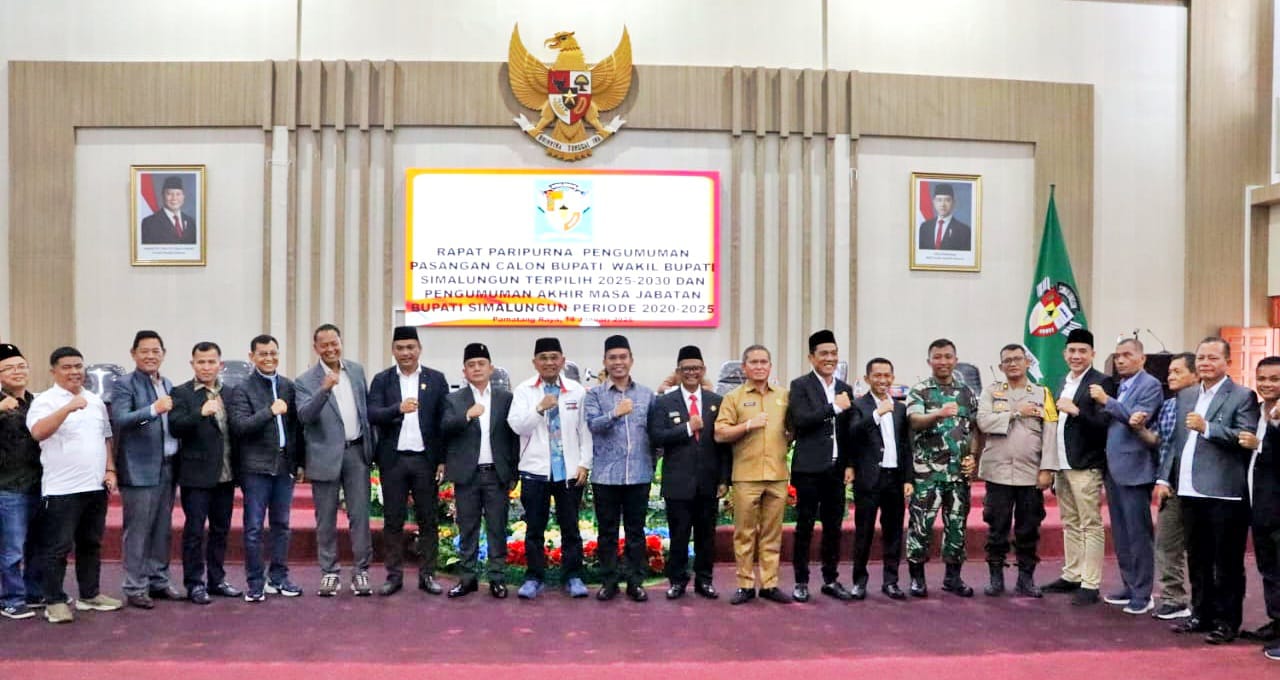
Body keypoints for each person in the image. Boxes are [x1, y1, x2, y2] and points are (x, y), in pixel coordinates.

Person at [1157, 336, 1258, 645]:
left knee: (1226, 563)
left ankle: (1227, 622)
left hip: (1224, 492)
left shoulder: (1242, 395)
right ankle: (1201, 614)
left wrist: (1209, 428)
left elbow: (1247, 436)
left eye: (1213, 358)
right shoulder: (1187, 395)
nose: (1205, 363)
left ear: (1228, 361)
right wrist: (1165, 479)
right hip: (1188, 490)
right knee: (1197, 558)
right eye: (1201, 357)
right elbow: (1175, 444)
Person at [27, 347, 123, 623]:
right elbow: (38, 432)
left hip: (95, 485)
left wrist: (110, 469)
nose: (74, 372)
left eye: (78, 366)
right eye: (67, 367)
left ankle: (89, 595)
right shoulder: (44, 401)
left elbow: (106, 437)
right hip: (61, 489)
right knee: (57, 547)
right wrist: (67, 408)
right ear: (53, 371)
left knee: (91, 543)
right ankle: (54, 600)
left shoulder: (95, 400)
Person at [367, 326, 449, 597]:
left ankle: (428, 576)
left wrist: (442, 460)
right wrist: (397, 409)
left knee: (428, 520)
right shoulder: (382, 380)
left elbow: (443, 422)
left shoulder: (436, 379)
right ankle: (393, 576)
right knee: (393, 520)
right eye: (400, 348)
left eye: (410, 347)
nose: (406, 353)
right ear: (393, 350)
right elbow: (372, 414)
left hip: (425, 461)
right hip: (394, 461)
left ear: (419, 349)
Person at [508, 337, 592, 599]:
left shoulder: (576, 391)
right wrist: (539, 408)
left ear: (562, 361)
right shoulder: (524, 391)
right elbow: (517, 427)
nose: (549, 362)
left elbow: (585, 431)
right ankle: (534, 577)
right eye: (543, 358)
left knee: (571, 528)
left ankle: (573, 576)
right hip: (535, 471)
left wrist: (584, 463)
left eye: (554, 357)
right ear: (535, 362)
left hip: (569, 472)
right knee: (534, 528)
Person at [296, 324, 374, 597]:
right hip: (324, 456)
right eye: (324, 345)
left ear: (341, 342)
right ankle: (329, 572)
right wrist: (324, 390)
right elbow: (304, 416)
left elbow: (365, 411)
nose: (330, 349)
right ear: (316, 348)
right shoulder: (305, 381)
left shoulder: (356, 371)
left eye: (334, 343)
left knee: (360, 515)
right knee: (326, 518)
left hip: (356, 453)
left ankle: (361, 571)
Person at [975, 344, 1058, 598]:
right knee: (996, 526)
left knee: (1028, 528)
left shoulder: (1043, 393)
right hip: (997, 472)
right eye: (1007, 360)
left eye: (1017, 359)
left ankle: (1026, 578)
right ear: (1001, 366)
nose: (1012, 363)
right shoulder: (991, 392)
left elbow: (1050, 432)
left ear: (1027, 363)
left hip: (1030, 473)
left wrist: (1047, 468)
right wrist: (1014, 413)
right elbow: (983, 422)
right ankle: (996, 577)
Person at [647, 345, 729, 600]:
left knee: (706, 535)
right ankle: (677, 581)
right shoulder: (664, 402)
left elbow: (723, 445)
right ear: (678, 371)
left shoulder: (716, 402)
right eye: (686, 369)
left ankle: (705, 580)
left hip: (708, 481)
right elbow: (656, 436)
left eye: (696, 368)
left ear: (703, 370)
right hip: (678, 481)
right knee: (679, 535)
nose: (691, 373)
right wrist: (686, 428)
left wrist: (724, 479)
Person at [226, 334, 302, 602]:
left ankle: (279, 578)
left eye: (273, 353)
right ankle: (255, 582)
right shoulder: (242, 389)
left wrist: (298, 462)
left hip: (284, 466)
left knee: (282, 525)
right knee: (254, 528)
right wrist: (270, 411)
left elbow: (296, 429)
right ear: (252, 357)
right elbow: (240, 427)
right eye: (263, 354)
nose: (269, 358)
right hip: (255, 468)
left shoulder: (288, 386)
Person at [1041, 328, 1114, 606]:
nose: (1076, 356)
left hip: (1086, 464)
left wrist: (1077, 411)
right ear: (1064, 354)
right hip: (1062, 463)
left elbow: (1106, 425)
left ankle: (1090, 583)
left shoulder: (1102, 382)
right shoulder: (1062, 381)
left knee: (1090, 524)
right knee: (1070, 522)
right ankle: (1072, 574)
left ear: (1092, 354)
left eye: (1082, 351)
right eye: (1072, 351)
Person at [110, 330, 182, 609]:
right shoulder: (124, 384)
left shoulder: (168, 383)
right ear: (133, 354)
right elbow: (121, 420)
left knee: (162, 529)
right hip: (138, 468)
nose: (151, 356)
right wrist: (153, 410)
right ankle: (135, 586)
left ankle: (159, 580)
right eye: (145, 351)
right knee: (138, 531)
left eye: (156, 351)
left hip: (168, 465)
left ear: (163, 354)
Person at [714, 344, 791, 605]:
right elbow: (720, 433)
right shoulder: (733, 398)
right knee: (744, 533)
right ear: (744, 368)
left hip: (777, 474)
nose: (759, 367)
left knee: (772, 534)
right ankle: (745, 584)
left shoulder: (784, 396)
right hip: (746, 475)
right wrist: (748, 425)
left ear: (770, 366)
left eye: (764, 362)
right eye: (754, 362)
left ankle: (770, 584)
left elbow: (793, 429)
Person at [440, 342, 518, 599]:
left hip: (496, 473)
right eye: (471, 365)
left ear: (490, 368)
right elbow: (444, 428)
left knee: (497, 527)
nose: (476, 368)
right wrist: (467, 416)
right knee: (468, 528)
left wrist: (513, 472)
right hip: (467, 475)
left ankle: (497, 578)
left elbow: (513, 437)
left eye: (481, 364)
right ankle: (467, 578)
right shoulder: (454, 399)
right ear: (464, 371)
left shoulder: (506, 399)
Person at [167, 342, 242, 604]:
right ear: (193, 364)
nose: (206, 367)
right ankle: (194, 584)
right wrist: (200, 413)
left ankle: (217, 580)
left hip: (226, 474)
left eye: (211, 362)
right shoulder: (181, 393)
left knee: (221, 530)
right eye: (201, 362)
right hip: (196, 475)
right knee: (195, 532)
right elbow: (175, 427)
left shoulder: (231, 393)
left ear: (220, 364)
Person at [1093, 338, 1163, 615]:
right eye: (1117, 355)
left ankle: (1143, 593)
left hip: (1136, 468)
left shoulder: (1150, 385)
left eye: (1127, 355)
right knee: (1121, 534)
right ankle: (1129, 584)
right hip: (1114, 467)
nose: (1120, 360)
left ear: (1142, 358)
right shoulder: (1121, 385)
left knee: (1138, 534)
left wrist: (1106, 401)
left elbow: (1136, 419)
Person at [584, 334, 656, 602]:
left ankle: (635, 582)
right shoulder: (595, 395)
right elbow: (593, 425)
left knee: (636, 532)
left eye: (622, 357)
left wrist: (651, 462)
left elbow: (654, 433)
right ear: (604, 362)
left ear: (631, 360)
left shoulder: (647, 394)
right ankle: (609, 581)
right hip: (606, 476)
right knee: (607, 533)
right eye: (612, 358)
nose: (618, 362)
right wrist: (615, 413)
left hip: (639, 474)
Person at [905, 338, 979, 598]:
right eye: (937, 357)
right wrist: (938, 413)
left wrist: (973, 456)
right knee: (921, 526)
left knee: (957, 527)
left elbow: (974, 429)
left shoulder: (967, 393)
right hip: (927, 473)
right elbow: (914, 421)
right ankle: (917, 579)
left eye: (948, 357)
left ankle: (953, 578)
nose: (943, 362)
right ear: (929, 361)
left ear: (955, 360)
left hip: (958, 474)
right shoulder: (920, 391)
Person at [785, 330, 854, 602]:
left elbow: (847, 432)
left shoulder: (844, 388)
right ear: (811, 357)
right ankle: (801, 581)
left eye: (834, 353)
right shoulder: (800, 385)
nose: (830, 358)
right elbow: (801, 420)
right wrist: (833, 408)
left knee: (833, 527)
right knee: (804, 527)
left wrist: (849, 464)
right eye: (824, 353)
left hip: (836, 470)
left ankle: (831, 579)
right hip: (809, 469)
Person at [1132, 352, 1198, 620]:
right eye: (1169, 372)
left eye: (1177, 371)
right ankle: (1174, 598)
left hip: (1201, 485)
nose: (1170, 376)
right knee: (1166, 543)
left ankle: (1208, 603)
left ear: (1195, 375)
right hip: (1170, 484)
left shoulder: (1205, 404)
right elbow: (1159, 441)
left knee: (1202, 547)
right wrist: (1139, 429)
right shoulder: (1169, 405)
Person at [847, 357, 912, 600]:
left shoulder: (901, 409)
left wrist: (908, 478)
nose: (882, 380)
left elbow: (905, 446)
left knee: (893, 532)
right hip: (869, 478)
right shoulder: (858, 405)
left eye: (887, 376)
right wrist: (876, 413)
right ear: (867, 379)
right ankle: (859, 582)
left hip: (894, 478)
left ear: (892, 378)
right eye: (877, 375)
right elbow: (852, 434)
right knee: (863, 532)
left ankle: (891, 581)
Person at [0, 344, 42, 619]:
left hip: (39, 483)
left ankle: (34, 592)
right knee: (12, 549)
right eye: (8, 368)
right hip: (8, 486)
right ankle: (11, 599)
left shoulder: (37, 401)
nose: (17, 372)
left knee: (37, 544)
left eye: (21, 366)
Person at [1242, 356, 1280, 658]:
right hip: (1260, 505)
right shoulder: (1256, 410)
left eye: (1275, 379)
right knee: (1268, 569)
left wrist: (1262, 445)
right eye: (1262, 378)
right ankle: (1276, 622)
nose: (1266, 384)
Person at [140, 175, 197, 245]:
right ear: (163, 196)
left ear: (183, 197)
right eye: (169, 194)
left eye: (178, 194)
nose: (174, 198)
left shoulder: (191, 222)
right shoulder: (149, 223)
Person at [916, 183, 972, 251]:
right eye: (939, 200)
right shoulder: (924, 227)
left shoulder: (964, 231)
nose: (943, 204)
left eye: (947, 200)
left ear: (953, 203)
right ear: (934, 202)